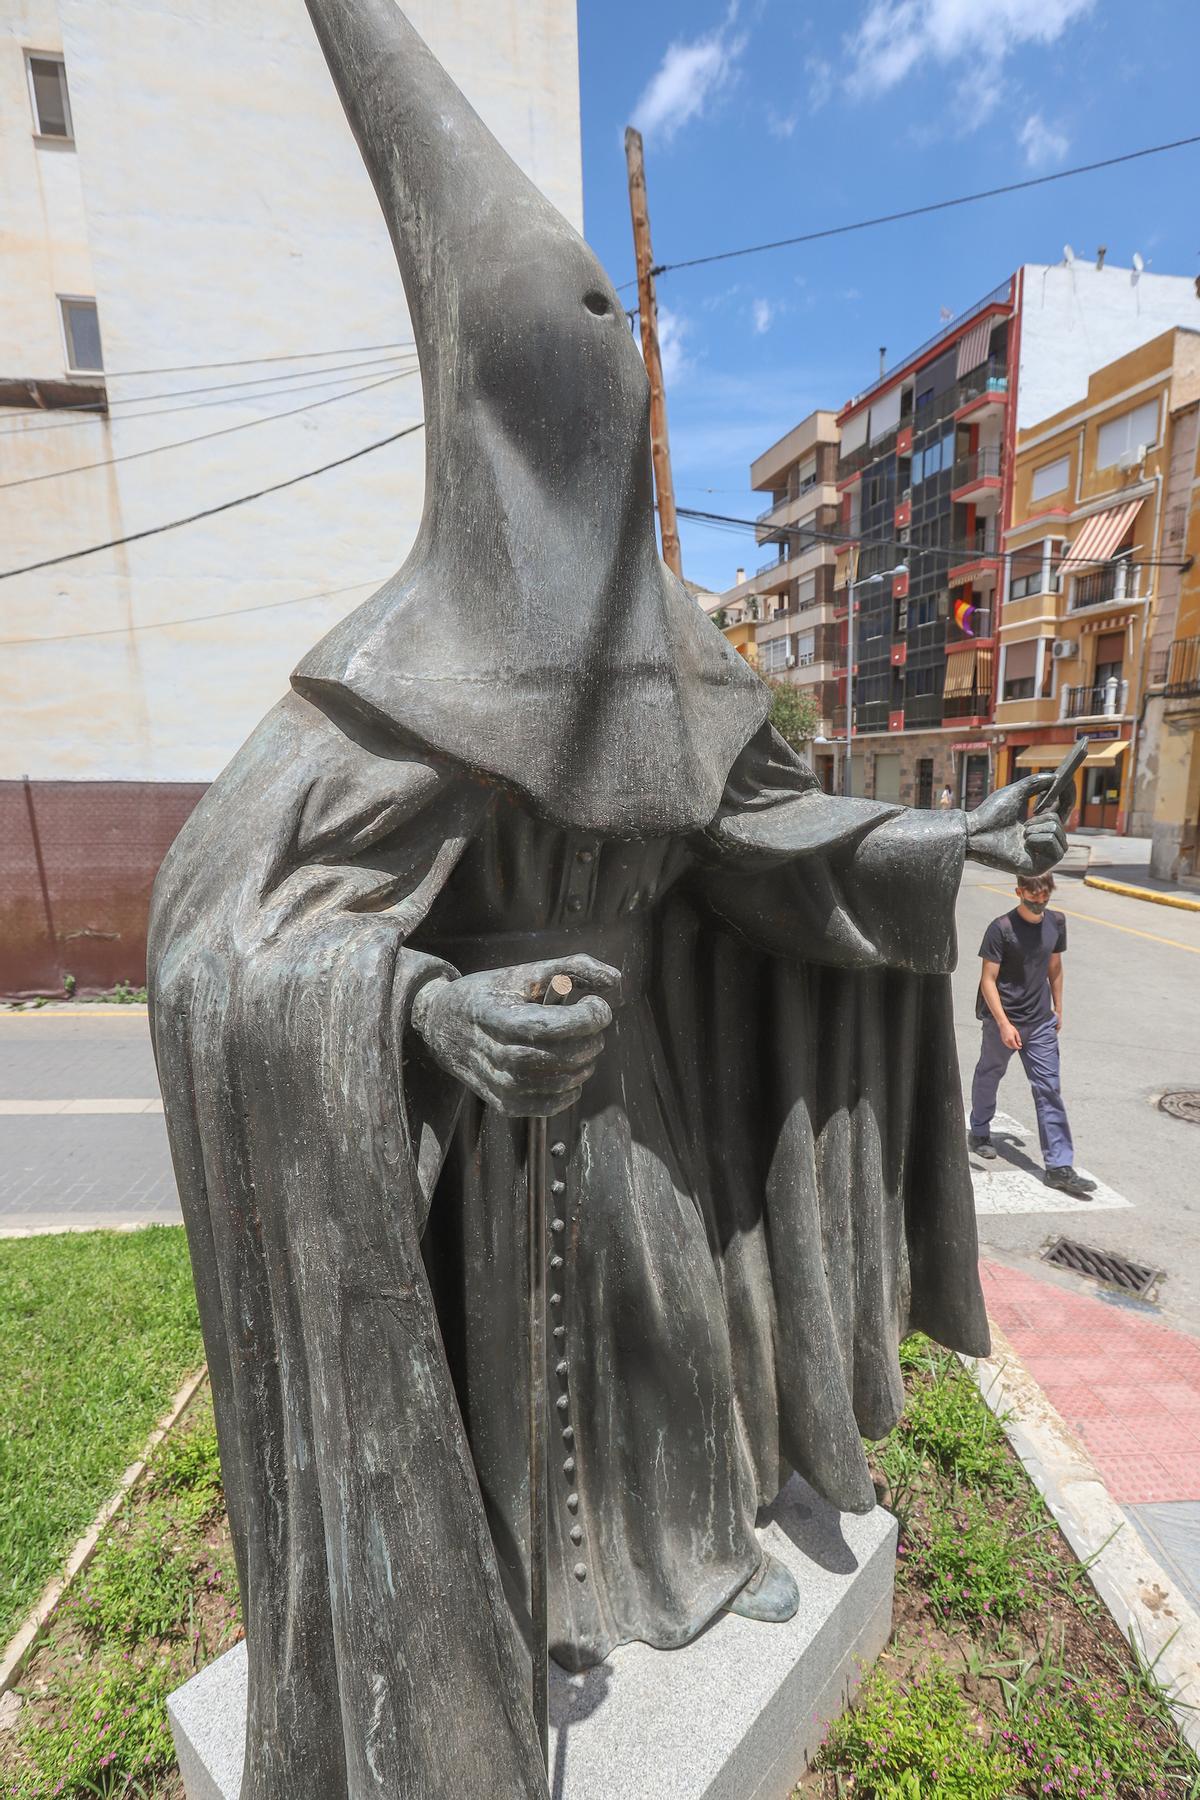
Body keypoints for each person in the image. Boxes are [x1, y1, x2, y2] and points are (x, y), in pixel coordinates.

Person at [147, 5, 1070, 1794]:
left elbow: (763, 846)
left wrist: (948, 842)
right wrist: (422, 1010)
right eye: (558, 349)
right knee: (515, 1388)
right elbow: (216, 943)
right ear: (486, 408)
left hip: (634, 1103)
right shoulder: (392, 677)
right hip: (487, 1126)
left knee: (663, 1359)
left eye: (613, 345)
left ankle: (659, 1559)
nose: (607, 373)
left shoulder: (685, 658)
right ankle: (506, 1615)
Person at [968, 872, 1095, 1197]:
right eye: (1031, 899)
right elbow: (988, 980)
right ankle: (980, 1131)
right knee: (990, 1074)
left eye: (1043, 899)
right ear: (1019, 891)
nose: (1038, 906)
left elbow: (1055, 967)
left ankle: (1059, 1167)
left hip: (1040, 1022)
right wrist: (1003, 1023)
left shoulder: (1057, 922)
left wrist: (1059, 1008)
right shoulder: (1001, 928)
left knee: (1049, 1089)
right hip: (1004, 1020)